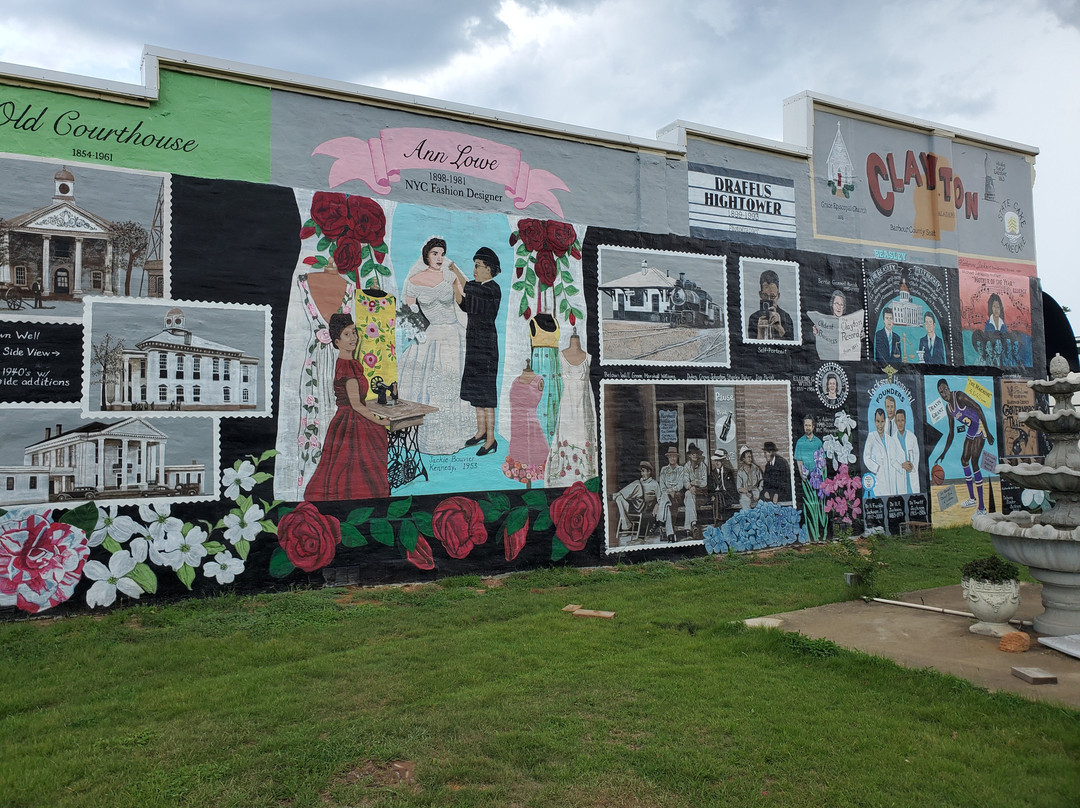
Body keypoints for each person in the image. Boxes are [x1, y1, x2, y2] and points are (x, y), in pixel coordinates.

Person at [397, 236, 474, 455]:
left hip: (453, 333)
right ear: (426, 255)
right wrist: (418, 334)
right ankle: (427, 435)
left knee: (453, 381)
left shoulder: (449, 276)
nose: (439, 258)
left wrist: (456, 272)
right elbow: (408, 314)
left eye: (442, 253)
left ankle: (456, 434)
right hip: (430, 335)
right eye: (435, 254)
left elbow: (467, 295)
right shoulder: (414, 281)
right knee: (427, 384)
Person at [304, 314, 390, 502]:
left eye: (354, 332)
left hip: (350, 418)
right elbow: (356, 405)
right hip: (352, 421)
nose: (353, 338)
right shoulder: (348, 368)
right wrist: (380, 420)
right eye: (346, 334)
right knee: (356, 468)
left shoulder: (351, 363)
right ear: (337, 341)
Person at [458, 246, 502, 455]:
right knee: (476, 390)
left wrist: (455, 271)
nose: (474, 270)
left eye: (478, 266)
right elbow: (467, 306)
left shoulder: (492, 288)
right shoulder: (477, 287)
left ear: (489, 268)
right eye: (474, 266)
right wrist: (453, 291)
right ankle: (481, 431)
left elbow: (470, 288)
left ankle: (491, 439)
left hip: (486, 348)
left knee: (486, 394)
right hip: (474, 344)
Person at [936, 378, 995, 514]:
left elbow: (978, 408)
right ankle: (972, 498)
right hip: (971, 429)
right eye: (941, 392)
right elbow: (951, 433)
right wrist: (943, 453)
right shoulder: (948, 408)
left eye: (945, 389)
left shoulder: (960, 396)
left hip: (980, 426)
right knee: (964, 460)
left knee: (974, 462)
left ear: (948, 388)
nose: (944, 393)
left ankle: (982, 508)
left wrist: (988, 431)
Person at [612, 460, 661, 536]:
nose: (642, 474)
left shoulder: (654, 483)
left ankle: (617, 494)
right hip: (633, 504)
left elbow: (660, 498)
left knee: (637, 484)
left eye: (644, 471)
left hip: (644, 507)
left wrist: (657, 505)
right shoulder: (640, 481)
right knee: (619, 499)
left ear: (649, 472)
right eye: (641, 472)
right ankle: (626, 525)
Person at [657, 445, 694, 540]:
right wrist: (668, 491)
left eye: (674, 456)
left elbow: (680, 484)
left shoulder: (680, 469)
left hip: (677, 495)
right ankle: (670, 533)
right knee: (667, 504)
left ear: (677, 457)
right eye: (670, 456)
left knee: (665, 501)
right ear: (668, 458)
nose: (672, 458)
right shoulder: (664, 470)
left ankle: (661, 520)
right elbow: (662, 485)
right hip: (667, 494)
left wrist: (672, 490)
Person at [747, 269, 794, 341]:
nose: (769, 300)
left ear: (778, 296)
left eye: (772, 297)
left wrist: (779, 328)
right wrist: (760, 331)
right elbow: (751, 350)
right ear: (760, 295)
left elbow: (792, 348)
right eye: (765, 296)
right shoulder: (753, 318)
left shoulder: (786, 317)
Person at [888, 408, 920, 495]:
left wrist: (911, 466)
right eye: (898, 420)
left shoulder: (912, 437)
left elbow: (917, 455)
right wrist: (902, 465)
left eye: (902, 420)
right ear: (895, 422)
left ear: (905, 421)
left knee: (914, 498)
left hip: (912, 473)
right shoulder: (892, 440)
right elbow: (892, 460)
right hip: (900, 476)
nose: (900, 423)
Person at [862, 408, 893, 497]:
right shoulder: (871, 437)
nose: (880, 425)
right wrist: (877, 468)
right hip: (877, 477)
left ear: (885, 422)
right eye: (877, 421)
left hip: (889, 476)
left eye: (882, 421)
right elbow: (866, 457)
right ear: (875, 422)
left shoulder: (889, 438)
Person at [709, 449, 738, 519]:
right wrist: (712, 495)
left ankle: (718, 520)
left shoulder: (728, 472)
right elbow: (710, 488)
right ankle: (720, 519)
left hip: (727, 495)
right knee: (717, 495)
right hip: (716, 496)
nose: (717, 463)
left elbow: (732, 487)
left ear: (722, 461)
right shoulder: (712, 473)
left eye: (718, 461)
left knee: (719, 495)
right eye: (715, 461)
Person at [736, 446, 763, 510]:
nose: (750, 459)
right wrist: (746, 492)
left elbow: (761, 481)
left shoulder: (756, 469)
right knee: (745, 501)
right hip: (745, 494)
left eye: (751, 457)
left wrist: (759, 490)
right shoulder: (740, 472)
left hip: (756, 493)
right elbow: (739, 488)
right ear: (743, 459)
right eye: (748, 457)